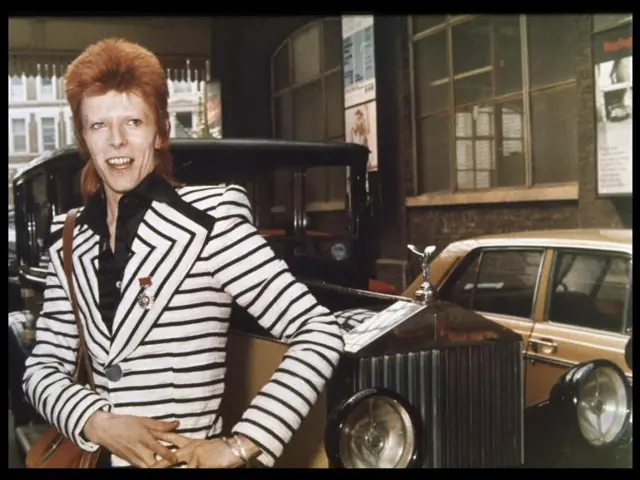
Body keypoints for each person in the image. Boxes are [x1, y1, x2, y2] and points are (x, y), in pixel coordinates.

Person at [22, 37, 345, 469]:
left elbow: (318, 330)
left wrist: (242, 443)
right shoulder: (70, 236)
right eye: (99, 125)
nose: (117, 141)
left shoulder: (210, 221)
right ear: (84, 136)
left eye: (133, 121)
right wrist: (95, 421)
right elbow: (42, 368)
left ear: (159, 131)